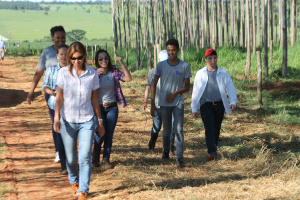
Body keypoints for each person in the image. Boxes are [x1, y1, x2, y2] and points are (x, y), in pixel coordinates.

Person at [53, 42, 105, 200]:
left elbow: (95, 100)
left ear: (85, 56)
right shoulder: (63, 73)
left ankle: (83, 190)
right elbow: (59, 97)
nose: (76, 61)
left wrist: (100, 121)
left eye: (80, 58)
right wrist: (56, 118)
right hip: (67, 120)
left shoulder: (92, 74)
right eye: (73, 58)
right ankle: (74, 181)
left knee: (84, 157)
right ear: (69, 58)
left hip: (87, 120)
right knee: (71, 158)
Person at [150, 39, 192, 168]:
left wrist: (174, 94)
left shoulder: (184, 66)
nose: (171, 53)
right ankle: (165, 151)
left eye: (173, 50)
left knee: (178, 130)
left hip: (178, 102)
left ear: (178, 50)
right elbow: (154, 83)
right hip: (163, 103)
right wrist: (152, 103)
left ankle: (179, 158)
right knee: (167, 130)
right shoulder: (161, 65)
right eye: (168, 50)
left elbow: (187, 87)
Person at [191, 48, 237, 161]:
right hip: (206, 104)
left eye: (215, 58)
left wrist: (233, 102)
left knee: (217, 127)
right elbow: (196, 91)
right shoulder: (200, 73)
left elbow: (230, 87)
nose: (213, 60)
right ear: (205, 59)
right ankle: (212, 152)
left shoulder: (223, 73)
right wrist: (194, 108)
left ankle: (214, 147)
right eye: (210, 58)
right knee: (209, 127)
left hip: (219, 104)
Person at [92, 49, 132, 170]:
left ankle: (106, 159)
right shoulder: (93, 73)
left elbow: (128, 78)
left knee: (109, 134)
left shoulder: (113, 71)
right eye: (100, 58)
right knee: (100, 133)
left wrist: (122, 64)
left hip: (112, 107)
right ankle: (95, 157)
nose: (104, 60)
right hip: (98, 108)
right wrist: (95, 74)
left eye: (106, 58)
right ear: (97, 61)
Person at [143, 50, 176, 156]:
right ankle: (153, 139)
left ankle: (170, 148)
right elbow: (148, 88)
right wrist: (145, 101)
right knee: (156, 127)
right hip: (157, 104)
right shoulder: (152, 72)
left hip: (170, 105)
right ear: (158, 60)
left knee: (170, 127)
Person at [42, 44, 68, 175]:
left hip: (70, 107)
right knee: (59, 132)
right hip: (54, 105)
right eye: (61, 54)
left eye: (66, 54)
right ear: (57, 56)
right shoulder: (51, 70)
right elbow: (44, 86)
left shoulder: (74, 70)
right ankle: (63, 163)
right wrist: (52, 92)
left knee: (69, 134)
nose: (63, 57)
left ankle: (70, 161)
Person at [27, 25, 66, 105]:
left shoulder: (70, 51)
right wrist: (31, 91)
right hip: (51, 93)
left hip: (68, 93)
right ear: (53, 37)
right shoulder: (47, 52)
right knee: (54, 115)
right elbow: (39, 73)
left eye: (63, 37)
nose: (61, 40)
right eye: (58, 38)